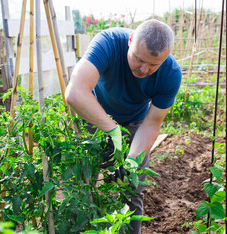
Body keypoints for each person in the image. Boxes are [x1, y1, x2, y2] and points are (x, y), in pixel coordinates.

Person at [65, 19, 182, 234]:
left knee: (132, 190)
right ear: (130, 41)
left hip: (136, 124)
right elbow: (75, 93)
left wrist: (132, 160)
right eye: (138, 59)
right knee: (82, 186)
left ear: (164, 59)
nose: (144, 69)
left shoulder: (171, 74)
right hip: (94, 115)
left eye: (153, 65)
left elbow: (152, 123)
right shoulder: (108, 43)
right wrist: (112, 130)